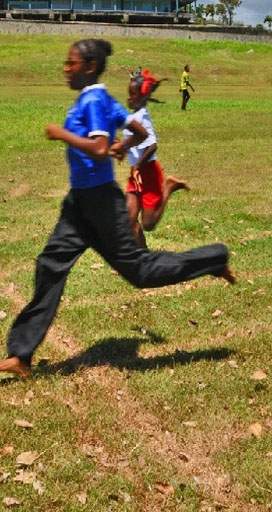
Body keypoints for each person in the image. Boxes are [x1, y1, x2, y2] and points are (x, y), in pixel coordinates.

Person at [0, 39, 234, 379]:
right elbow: (138, 130)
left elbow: (97, 147)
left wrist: (62, 134)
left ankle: (214, 258)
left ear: (89, 66)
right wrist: (123, 146)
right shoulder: (100, 98)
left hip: (100, 205)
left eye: (71, 63)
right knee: (51, 264)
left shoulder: (94, 99)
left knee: (139, 271)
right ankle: (21, 355)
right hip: (79, 204)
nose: (66, 69)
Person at [124, 68, 189, 247]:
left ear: (143, 97)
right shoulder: (133, 116)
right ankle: (143, 258)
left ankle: (169, 186)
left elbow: (152, 145)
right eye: (128, 93)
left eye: (132, 94)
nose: (128, 98)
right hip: (136, 173)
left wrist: (138, 166)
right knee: (128, 221)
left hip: (148, 173)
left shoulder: (142, 117)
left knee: (148, 224)